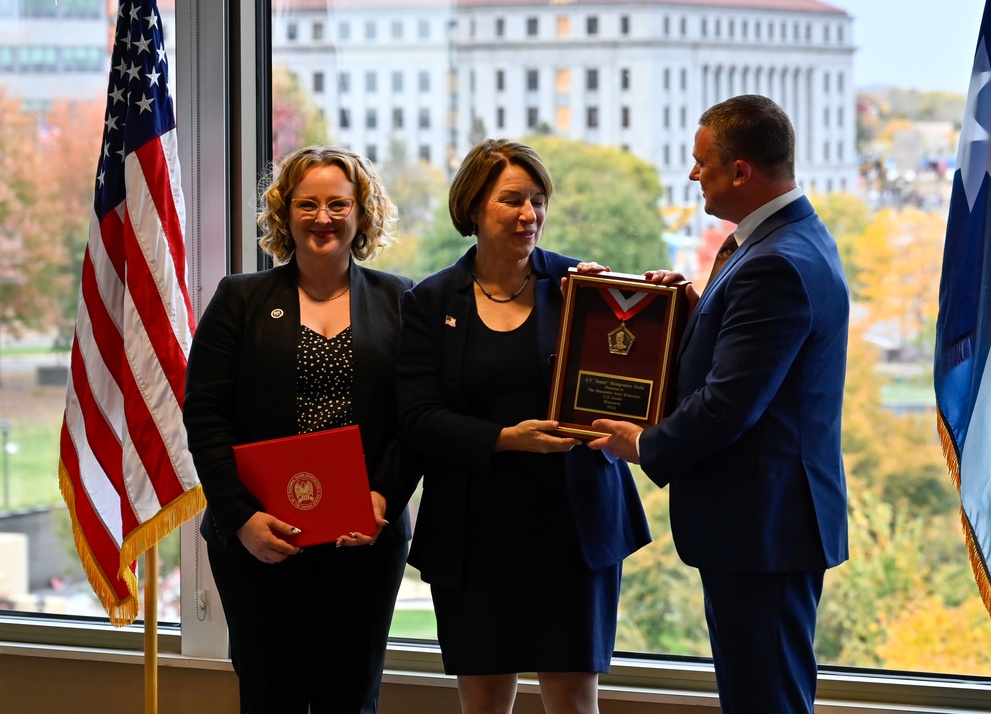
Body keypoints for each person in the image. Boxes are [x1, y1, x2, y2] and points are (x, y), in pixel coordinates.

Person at [587, 94, 850, 714]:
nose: (691, 174)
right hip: (768, 522)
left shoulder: (774, 263)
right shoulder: (785, 241)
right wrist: (683, 309)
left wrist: (643, 444)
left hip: (764, 526)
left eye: (701, 161)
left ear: (740, 171)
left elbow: (731, 402)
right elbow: (744, 353)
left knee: (764, 700)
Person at [397, 138, 652, 714]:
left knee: (573, 699)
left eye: (537, 200)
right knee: (484, 701)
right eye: (512, 200)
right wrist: (507, 438)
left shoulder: (578, 287)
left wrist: (653, 302)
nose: (528, 214)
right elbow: (417, 419)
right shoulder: (429, 301)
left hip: (572, 522)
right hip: (474, 531)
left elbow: (637, 378)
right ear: (473, 208)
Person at [183, 145, 419, 714]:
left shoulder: (401, 300)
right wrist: (240, 519)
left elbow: (417, 416)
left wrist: (381, 497)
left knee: (351, 697)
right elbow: (205, 415)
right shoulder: (239, 299)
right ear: (284, 214)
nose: (323, 217)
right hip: (260, 540)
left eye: (339, 204)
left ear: (362, 213)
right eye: (306, 204)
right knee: (271, 696)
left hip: (364, 537)